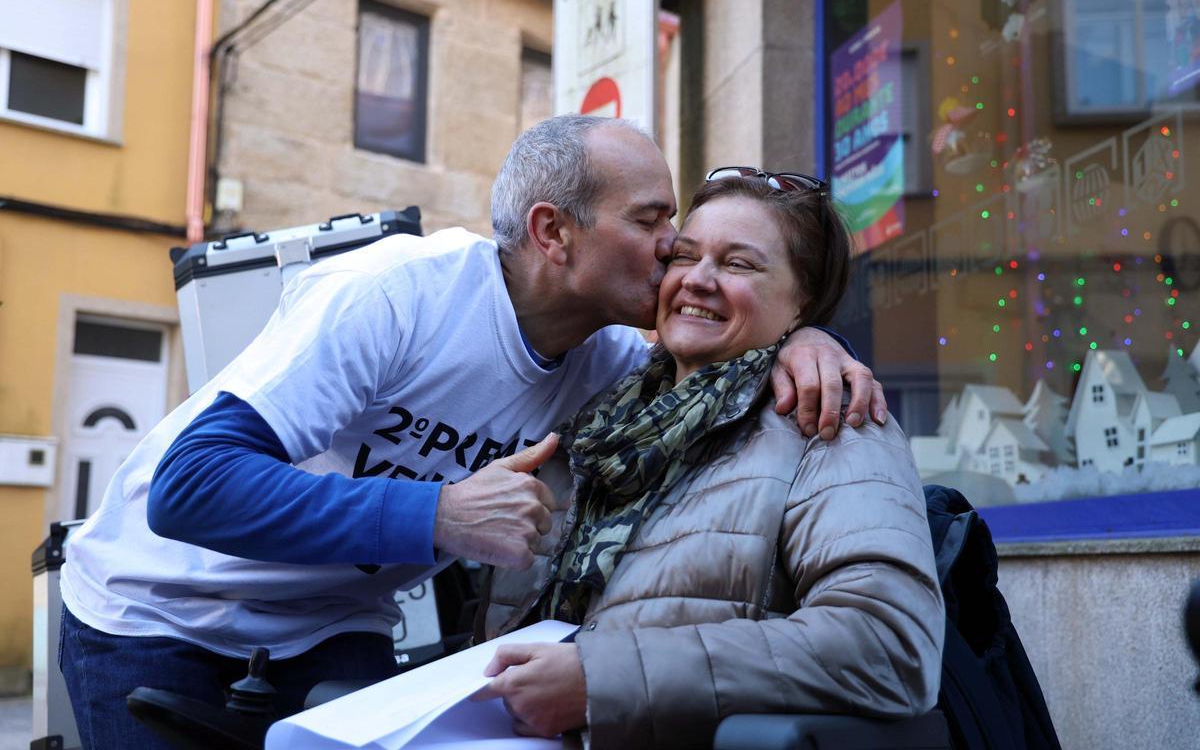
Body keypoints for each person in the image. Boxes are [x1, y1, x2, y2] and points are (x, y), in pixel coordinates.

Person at [57, 117, 885, 748]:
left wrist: (812, 338)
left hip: (332, 629)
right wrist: (438, 517)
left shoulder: (603, 364)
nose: (674, 248)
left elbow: (724, 344)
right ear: (552, 232)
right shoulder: (395, 294)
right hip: (156, 612)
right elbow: (189, 485)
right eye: (650, 219)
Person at [474, 168, 944, 749]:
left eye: (739, 264)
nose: (698, 280)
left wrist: (602, 680)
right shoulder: (595, 425)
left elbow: (886, 644)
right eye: (683, 256)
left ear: (803, 304)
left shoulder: (829, 423)